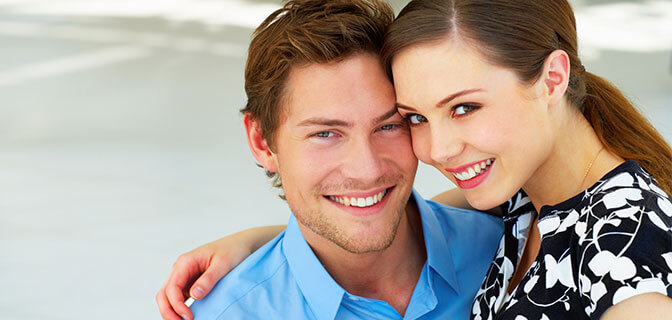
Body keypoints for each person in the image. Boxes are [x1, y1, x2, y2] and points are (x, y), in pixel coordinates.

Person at [160, 0, 672, 319]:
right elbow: (377, 213)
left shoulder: (628, 248)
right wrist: (258, 248)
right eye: (416, 118)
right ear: (262, 142)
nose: (441, 150)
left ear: (553, 80)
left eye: (389, 124)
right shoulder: (520, 205)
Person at [156, 1, 506, 319]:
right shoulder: (229, 314)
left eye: (388, 126)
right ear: (262, 142)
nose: (367, 170)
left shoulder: (509, 250)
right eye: (325, 134)